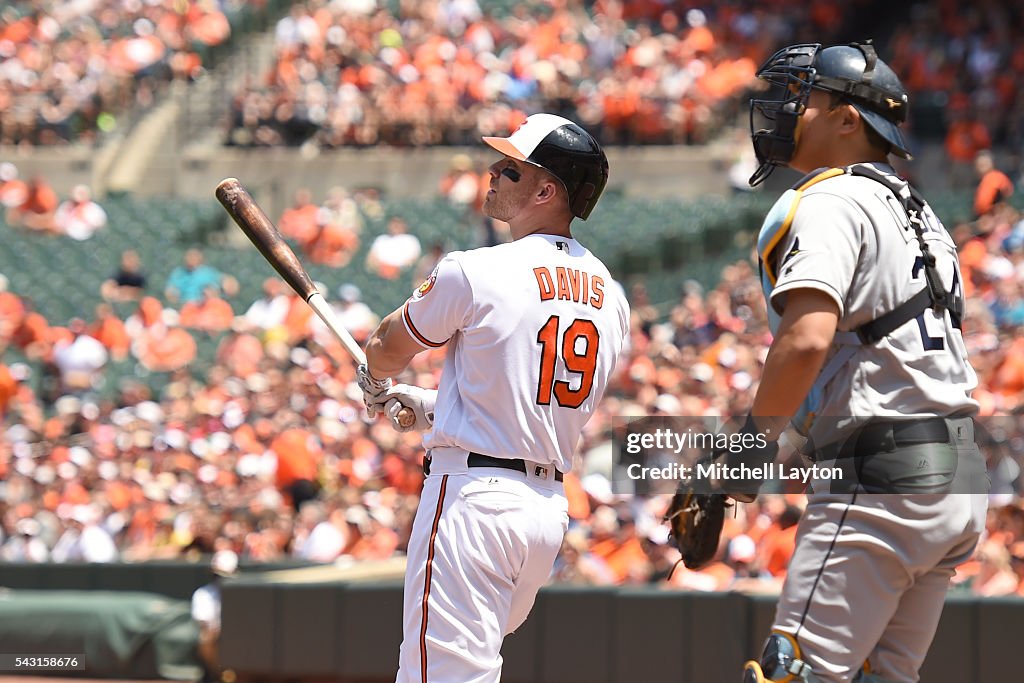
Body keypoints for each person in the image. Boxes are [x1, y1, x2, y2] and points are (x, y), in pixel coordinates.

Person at [736, 41, 989, 683]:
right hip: (955, 471)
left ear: (849, 120)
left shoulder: (833, 200)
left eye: (804, 97)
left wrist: (739, 454)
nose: (785, 109)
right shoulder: (923, 213)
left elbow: (806, 340)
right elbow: (872, 355)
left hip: (884, 474)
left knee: (795, 675)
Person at [357, 113, 629, 682]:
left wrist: (377, 382)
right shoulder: (610, 293)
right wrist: (435, 406)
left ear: (545, 189)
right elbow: (534, 401)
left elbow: (386, 345)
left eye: (509, 169)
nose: (492, 173)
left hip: (473, 499)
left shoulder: (477, 269)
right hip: (545, 511)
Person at [191, 548, 239, 682]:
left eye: (224, 575)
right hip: (215, 638)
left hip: (238, 637)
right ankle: (218, 675)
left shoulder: (240, 594)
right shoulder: (204, 594)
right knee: (206, 637)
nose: (220, 579)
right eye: (217, 575)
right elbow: (206, 628)